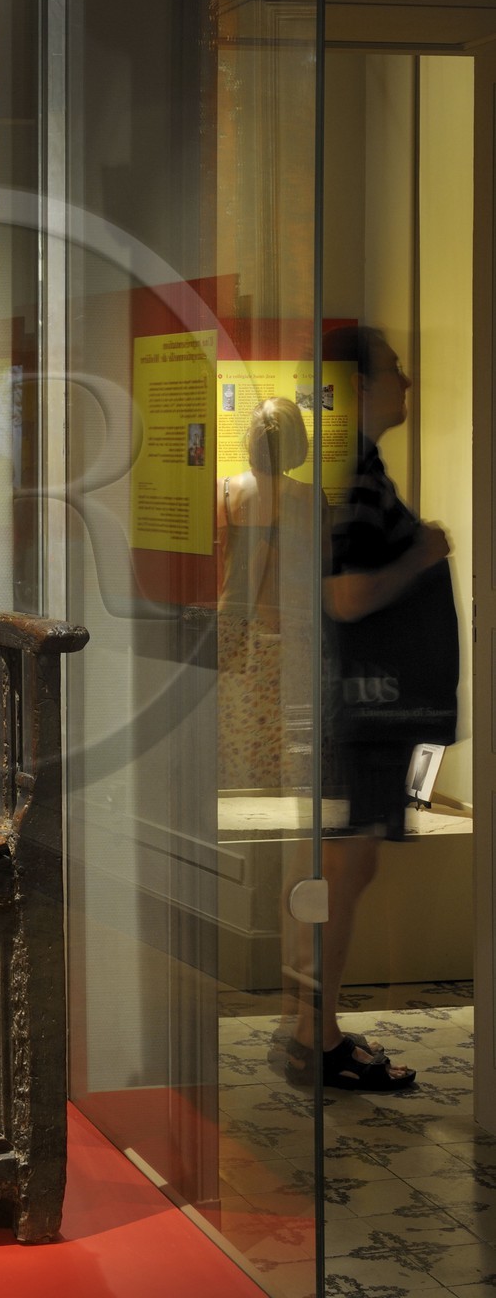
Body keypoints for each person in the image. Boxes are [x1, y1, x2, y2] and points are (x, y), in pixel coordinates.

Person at [282, 325, 455, 1091]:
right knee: (343, 868)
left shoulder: (356, 466)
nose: (407, 381)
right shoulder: (351, 472)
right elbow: (346, 596)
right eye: (392, 369)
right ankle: (315, 1037)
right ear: (357, 385)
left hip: (367, 711)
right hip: (363, 710)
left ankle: (315, 1030)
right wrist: (422, 554)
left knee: (348, 867)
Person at [217, 397, 316, 792]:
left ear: (251, 438)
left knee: (234, 723)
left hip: (232, 622)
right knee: (283, 727)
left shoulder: (226, 491)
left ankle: (233, 793)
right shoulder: (309, 498)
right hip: (286, 623)